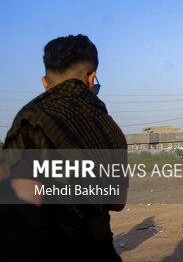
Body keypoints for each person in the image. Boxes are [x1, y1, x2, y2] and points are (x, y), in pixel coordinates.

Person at [1, 34, 127, 261]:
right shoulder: (110, 127)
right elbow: (118, 201)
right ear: (92, 77)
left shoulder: (32, 120)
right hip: (101, 250)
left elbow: (21, 206)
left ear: (44, 82)